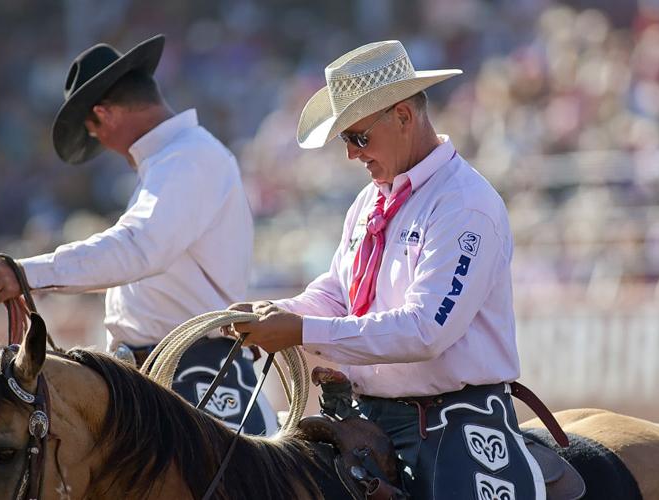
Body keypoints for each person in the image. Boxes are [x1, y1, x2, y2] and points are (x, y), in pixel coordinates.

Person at [229, 40, 547, 498]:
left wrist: (301, 331)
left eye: (359, 137)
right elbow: (339, 292)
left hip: (453, 420)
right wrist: (275, 313)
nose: (352, 155)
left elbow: (424, 330)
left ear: (403, 116)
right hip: (367, 414)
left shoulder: (464, 204)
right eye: (346, 141)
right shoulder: (370, 200)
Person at [0, 34, 275, 435]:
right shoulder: (178, 160)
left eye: (93, 130)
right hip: (164, 371)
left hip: (194, 373)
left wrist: (27, 274)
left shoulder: (188, 158)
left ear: (104, 114)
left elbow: (138, 248)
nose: (101, 142)